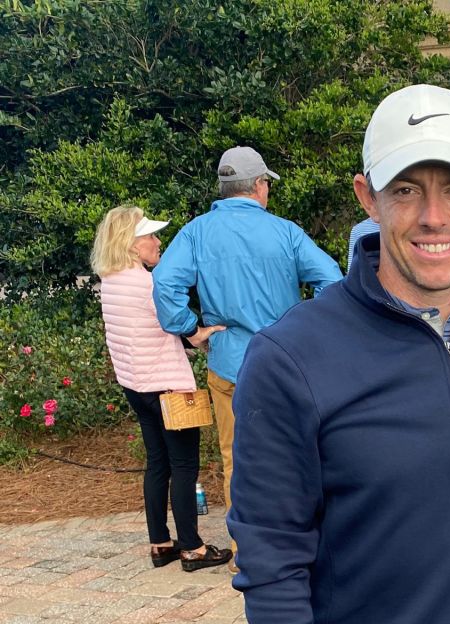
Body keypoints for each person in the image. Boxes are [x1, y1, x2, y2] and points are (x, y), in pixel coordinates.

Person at [227, 84, 450, 623]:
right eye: (404, 190)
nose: (432, 216)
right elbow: (272, 562)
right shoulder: (290, 358)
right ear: (367, 196)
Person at [152, 146, 342, 571]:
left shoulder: (197, 232)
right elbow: (333, 282)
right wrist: (309, 328)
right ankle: (302, 544)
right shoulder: (286, 232)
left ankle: (247, 553)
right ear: (259, 186)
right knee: (299, 453)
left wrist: (191, 328)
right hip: (290, 365)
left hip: (231, 363)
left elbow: (164, 283)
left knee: (237, 457)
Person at [90, 206, 232, 572]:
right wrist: (200, 334)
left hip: (135, 385)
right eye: (150, 236)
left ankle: (160, 543)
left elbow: (146, 329)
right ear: (131, 244)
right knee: (185, 466)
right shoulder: (148, 284)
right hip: (169, 386)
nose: (157, 242)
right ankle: (192, 549)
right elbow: (176, 321)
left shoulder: (111, 280)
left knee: (158, 464)